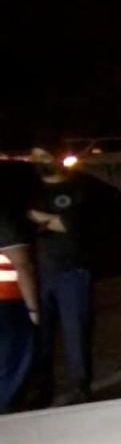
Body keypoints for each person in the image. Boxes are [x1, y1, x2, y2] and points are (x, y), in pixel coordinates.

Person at [29, 158, 121, 406]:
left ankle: (81, 386)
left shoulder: (81, 188)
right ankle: (43, 388)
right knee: (41, 337)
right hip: (40, 273)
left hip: (73, 272)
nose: (39, 162)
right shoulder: (30, 190)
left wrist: (41, 218)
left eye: (44, 156)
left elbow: (74, 224)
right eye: (35, 156)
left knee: (77, 332)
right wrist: (51, 221)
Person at [0, 160, 41, 413]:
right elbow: (23, 267)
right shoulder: (6, 218)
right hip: (8, 301)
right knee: (14, 361)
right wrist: (34, 310)